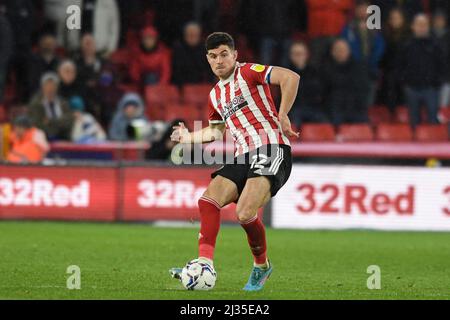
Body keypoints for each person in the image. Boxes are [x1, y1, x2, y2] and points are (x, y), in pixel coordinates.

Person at [169, 32, 300, 291]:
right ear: (207, 59)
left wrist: (283, 114)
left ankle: (261, 266)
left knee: (244, 213)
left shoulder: (249, 72)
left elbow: (290, 77)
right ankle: (205, 264)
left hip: (271, 148)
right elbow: (215, 132)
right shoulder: (215, 95)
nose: (219, 60)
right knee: (208, 200)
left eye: (224, 54)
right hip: (243, 156)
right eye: (213, 56)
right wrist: (187, 137)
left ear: (235, 55)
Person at [398, 14, 445, 127]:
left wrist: (437, 83)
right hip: (412, 88)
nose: (421, 27)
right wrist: (405, 82)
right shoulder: (406, 45)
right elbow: (400, 66)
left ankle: (434, 144)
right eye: (419, 24)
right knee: (414, 123)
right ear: (413, 26)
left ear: (428, 27)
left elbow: (442, 65)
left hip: (431, 89)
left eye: (424, 25)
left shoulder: (436, 45)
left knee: (433, 122)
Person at [341, 0, 385, 108]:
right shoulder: (349, 27)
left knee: (368, 100)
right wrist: (358, 61)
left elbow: (380, 47)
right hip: (354, 69)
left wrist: (370, 62)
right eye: (361, 8)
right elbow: (346, 45)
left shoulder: (375, 28)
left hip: (370, 69)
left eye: (366, 8)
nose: (363, 11)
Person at [321, 39, 370, 126]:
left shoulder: (358, 69)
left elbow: (363, 90)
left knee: (364, 125)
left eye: (344, 50)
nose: (341, 52)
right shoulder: (325, 69)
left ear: (349, 51)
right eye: (338, 50)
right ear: (332, 52)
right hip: (333, 109)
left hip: (355, 109)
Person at [288, 41, 327, 126]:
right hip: (294, 108)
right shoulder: (285, 72)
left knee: (325, 124)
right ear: (291, 56)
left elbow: (319, 91)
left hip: (313, 107)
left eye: (301, 54)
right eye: (295, 54)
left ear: (306, 55)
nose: (298, 57)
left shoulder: (315, 71)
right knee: (293, 122)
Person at [380, 7, 410, 113]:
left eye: (397, 18)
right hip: (389, 74)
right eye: (392, 18)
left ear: (403, 20)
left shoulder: (409, 36)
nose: (394, 21)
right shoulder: (384, 35)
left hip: (405, 75)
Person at [28, 72, 73, 140]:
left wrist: (51, 121)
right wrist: (58, 125)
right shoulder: (36, 104)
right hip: (43, 139)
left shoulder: (63, 103)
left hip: (64, 138)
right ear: (42, 87)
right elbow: (37, 124)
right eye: (47, 85)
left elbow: (68, 121)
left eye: (53, 85)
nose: (50, 88)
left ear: (57, 87)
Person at [432, 11, 450, 108]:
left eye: (441, 19)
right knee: (433, 107)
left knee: (444, 107)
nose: (439, 22)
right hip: (430, 79)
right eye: (437, 19)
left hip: (447, 78)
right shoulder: (428, 35)